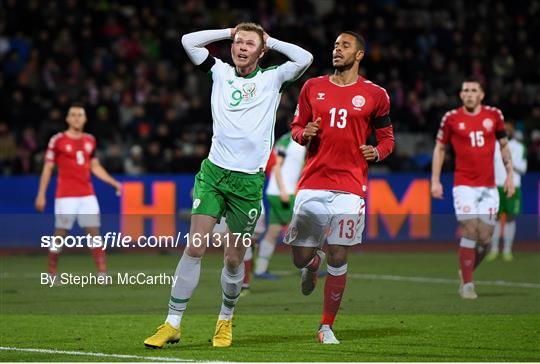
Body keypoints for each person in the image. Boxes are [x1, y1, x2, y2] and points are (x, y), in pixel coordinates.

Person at [144, 22, 312, 349]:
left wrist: (269, 39)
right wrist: (228, 31)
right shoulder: (219, 71)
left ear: (261, 50)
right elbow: (187, 39)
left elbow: (304, 57)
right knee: (194, 246)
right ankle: (172, 323)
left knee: (234, 259)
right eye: (238, 42)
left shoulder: (272, 77)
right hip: (213, 174)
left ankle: (225, 320)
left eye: (249, 43)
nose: (241, 47)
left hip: (247, 182)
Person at [285, 31, 394, 344]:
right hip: (314, 181)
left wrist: (378, 152)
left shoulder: (376, 94)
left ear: (359, 54)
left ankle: (325, 327)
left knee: (338, 252)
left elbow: (387, 138)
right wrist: (303, 132)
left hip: (351, 185)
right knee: (300, 256)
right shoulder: (312, 87)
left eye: (345, 46)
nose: (337, 49)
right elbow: (295, 128)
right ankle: (310, 264)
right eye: (335, 45)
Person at [431, 78, 515, 300]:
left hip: (489, 186)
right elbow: (440, 149)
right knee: (470, 229)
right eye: (465, 90)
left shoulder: (494, 115)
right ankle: (467, 284)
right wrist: (435, 180)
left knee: (486, 239)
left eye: (473, 90)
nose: (469, 93)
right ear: (461, 95)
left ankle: (466, 269)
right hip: (464, 185)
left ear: (481, 95)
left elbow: (504, 147)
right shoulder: (451, 118)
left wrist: (509, 176)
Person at [34, 103, 122, 282]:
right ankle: (51, 274)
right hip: (65, 195)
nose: (76, 118)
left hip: (87, 194)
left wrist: (114, 183)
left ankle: (102, 273)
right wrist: (41, 194)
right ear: (67, 119)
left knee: (94, 232)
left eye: (80, 115)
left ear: (85, 119)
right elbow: (48, 167)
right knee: (61, 233)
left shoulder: (90, 140)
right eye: (73, 115)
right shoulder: (57, 140)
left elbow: (95, 166)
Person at [254, 132, 305, 279]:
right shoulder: (288, 140)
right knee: (297, 229)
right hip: (282, 193)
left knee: (273, 231)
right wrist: (283, 190)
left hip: (281, 191)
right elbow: (276, 166)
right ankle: (306, 268)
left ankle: (260, 270)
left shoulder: (301, 144)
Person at [488, 121, 527, 261]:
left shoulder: (519, 147)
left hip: (513, 185)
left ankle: (507, 250)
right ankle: (494, 249)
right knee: (495, 218)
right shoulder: (493, 146)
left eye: (509, 129)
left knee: (510, 218)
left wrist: (509, 160)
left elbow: (523, 169)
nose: (506, 131)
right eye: (504, 129)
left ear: (513, 131)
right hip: (496, 186)